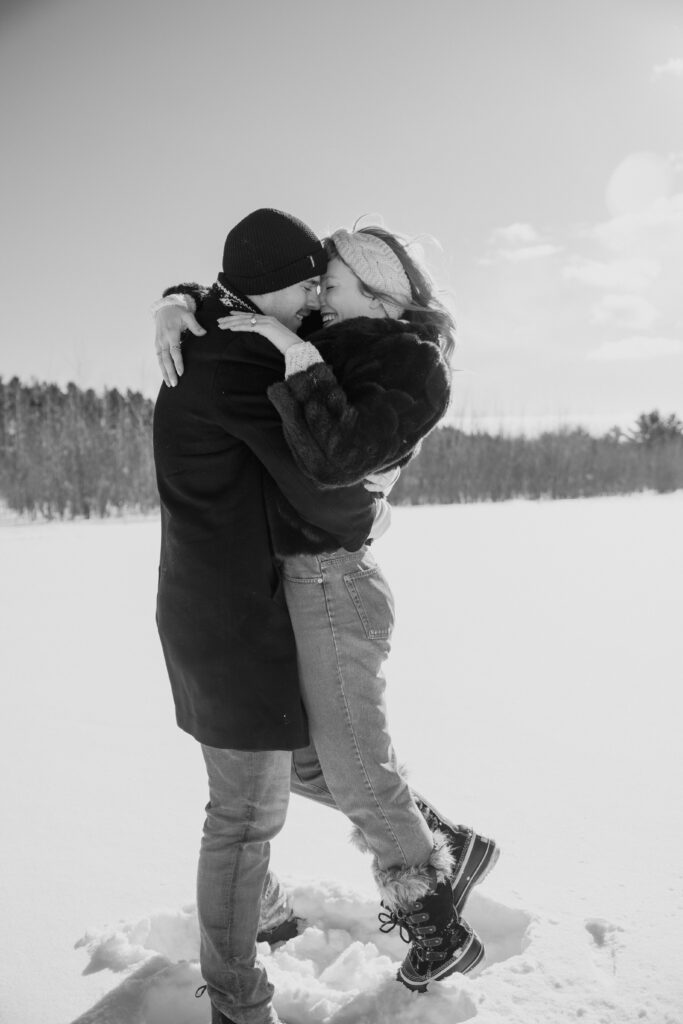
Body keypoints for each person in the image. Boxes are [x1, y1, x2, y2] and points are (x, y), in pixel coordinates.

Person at [155, 222, 499, 1001]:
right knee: (318, 765)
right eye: (314, 287)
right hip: (289, 584)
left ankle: (440, 930)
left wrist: (298, 353)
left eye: (329, 285)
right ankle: (446, 845)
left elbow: (338, 471)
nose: (317, 298)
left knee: (345, 766)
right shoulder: (321, 330)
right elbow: (236, 284)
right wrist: (173, 301)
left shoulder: (407, 361)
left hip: (332, 578)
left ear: (375, 292)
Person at [153, 208, 383, 1024]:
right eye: (306, 284)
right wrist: (370, 514)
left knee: (310, 764)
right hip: (229, 623)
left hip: (216, 608)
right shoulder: (235, 362)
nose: (318, 297)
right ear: (261, 288)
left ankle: (427, 846)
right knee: (245, 815)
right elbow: (316, 483)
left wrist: (171, 296)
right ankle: (236, 1003)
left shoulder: (221, 327)